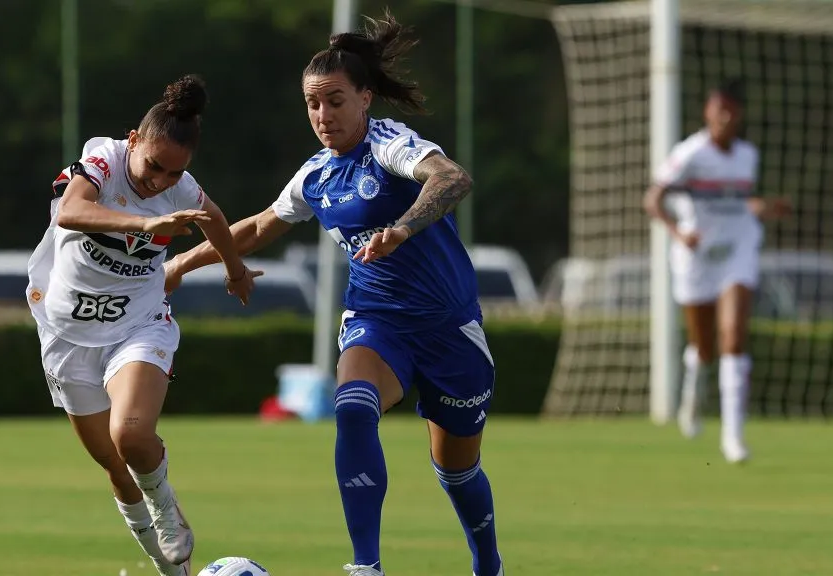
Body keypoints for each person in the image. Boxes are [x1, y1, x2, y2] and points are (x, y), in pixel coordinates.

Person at [167, 12, 503, 576]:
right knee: (352, 406)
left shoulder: (391, 144)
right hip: (377, 321)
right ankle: (365, 566)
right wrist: (182, 263)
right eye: (312, 104)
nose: (323, 115)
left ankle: (488, 566)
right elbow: (256, 227)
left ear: (365, 99)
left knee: (458, 468)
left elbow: (453, 179)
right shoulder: (317, 175)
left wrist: (400, 229)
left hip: (450, 327)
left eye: (335, 101)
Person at [25, 75, 261, 576]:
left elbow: (214, 219)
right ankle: (172, 570)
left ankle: (167, 510)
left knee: (131, 436)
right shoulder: (104, 162)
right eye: (154, 165)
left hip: (139, 324)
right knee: (114, 464)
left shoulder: (183, 188)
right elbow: (71, 211)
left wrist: (235, 271)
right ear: (133, 139)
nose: (160, 182)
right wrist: (143, 224)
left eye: (174, 174)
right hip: (65, 334)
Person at [644, 78, 790, 463]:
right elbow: (652, 200)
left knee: (734, 335)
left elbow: (738, 203)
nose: (724, 117)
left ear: (738, 115)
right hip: (697, 257)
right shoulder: (689, 153)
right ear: (708, 112)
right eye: (717, 109)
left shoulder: (747, 156)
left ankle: (732, 437)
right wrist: (680, 234)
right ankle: (694, 385)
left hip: (738, 251)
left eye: (730, 111)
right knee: (704, 347)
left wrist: (763, 207)